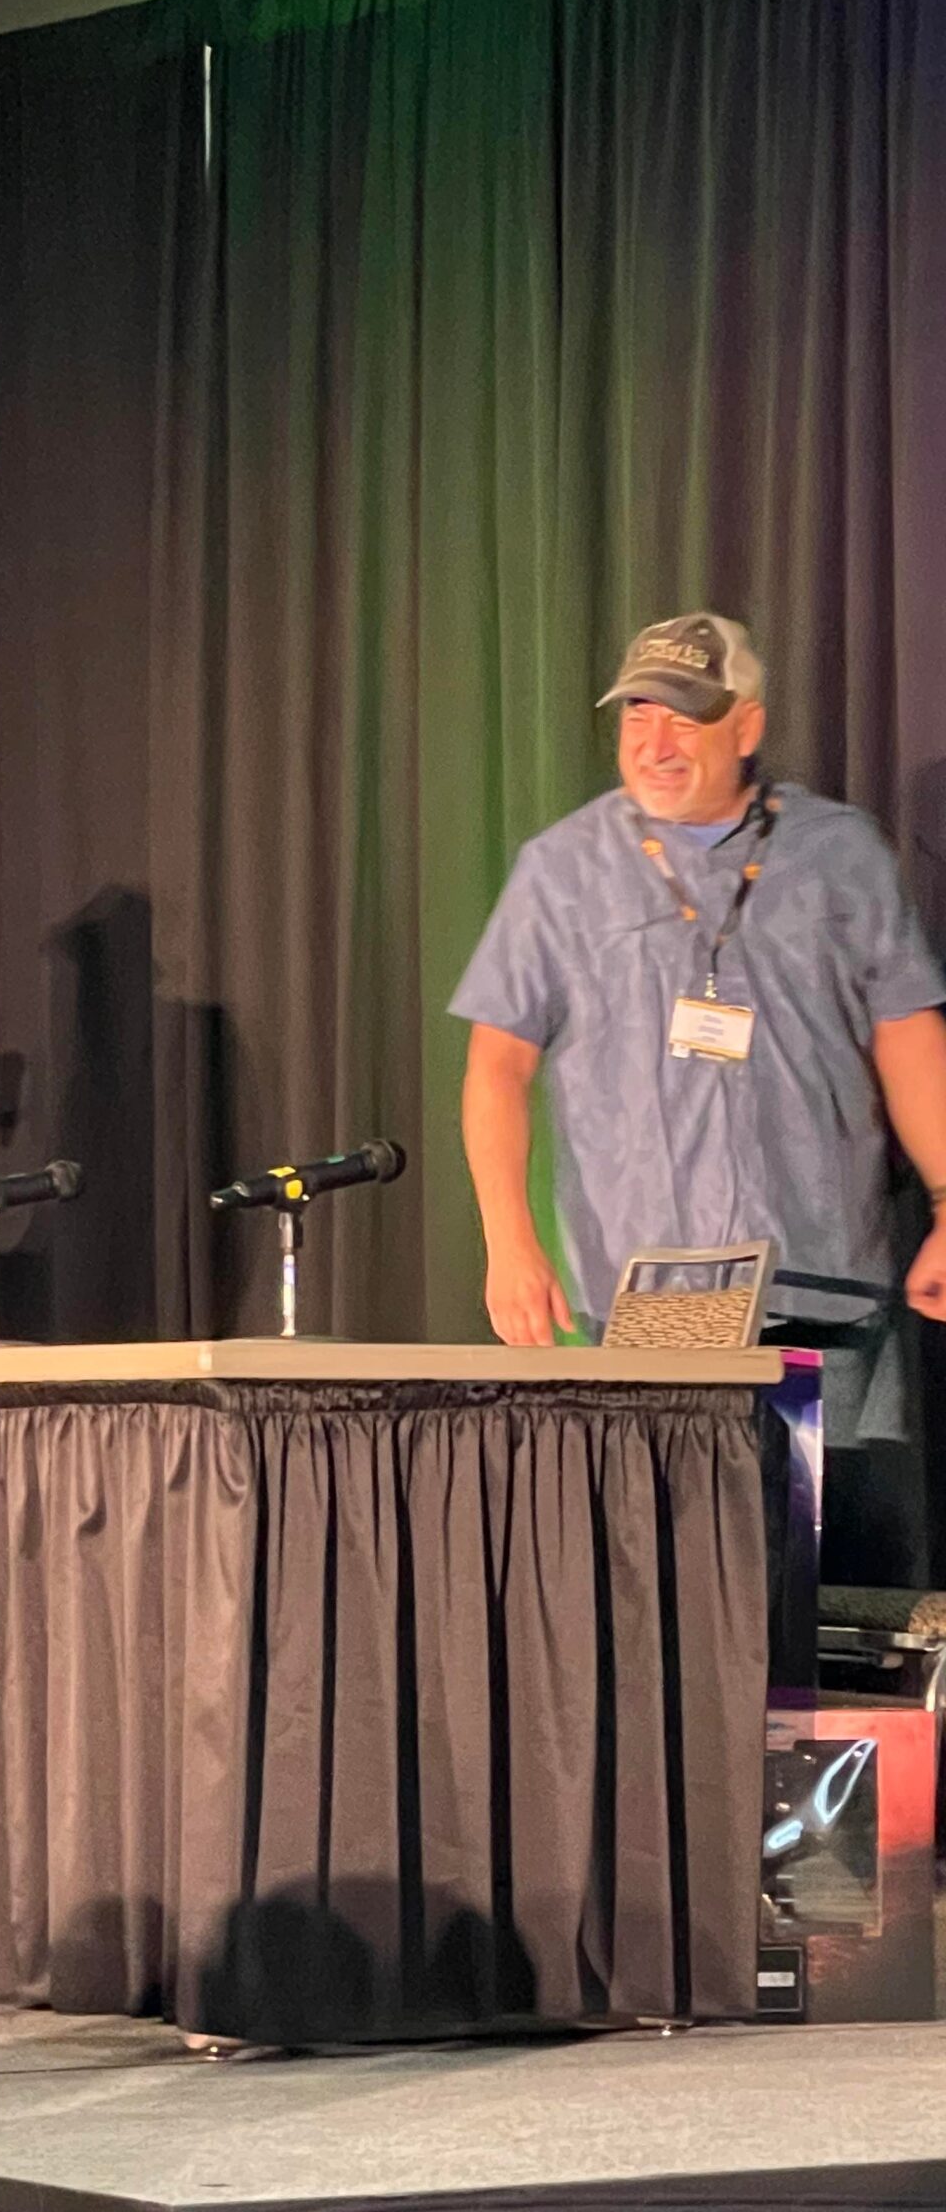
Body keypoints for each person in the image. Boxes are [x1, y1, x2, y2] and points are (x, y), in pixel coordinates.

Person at [450, 611, 946, 1578]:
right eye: (638, 715)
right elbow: (497, 1065)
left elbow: (908, 1036)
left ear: (746, 726)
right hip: (656, 1296)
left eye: (685, 716)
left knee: (834, 1584)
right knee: (671, 1582)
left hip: (823, 1282)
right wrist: (509, 1242)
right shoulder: (562, 869)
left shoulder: (839, 852)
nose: (657, 741)